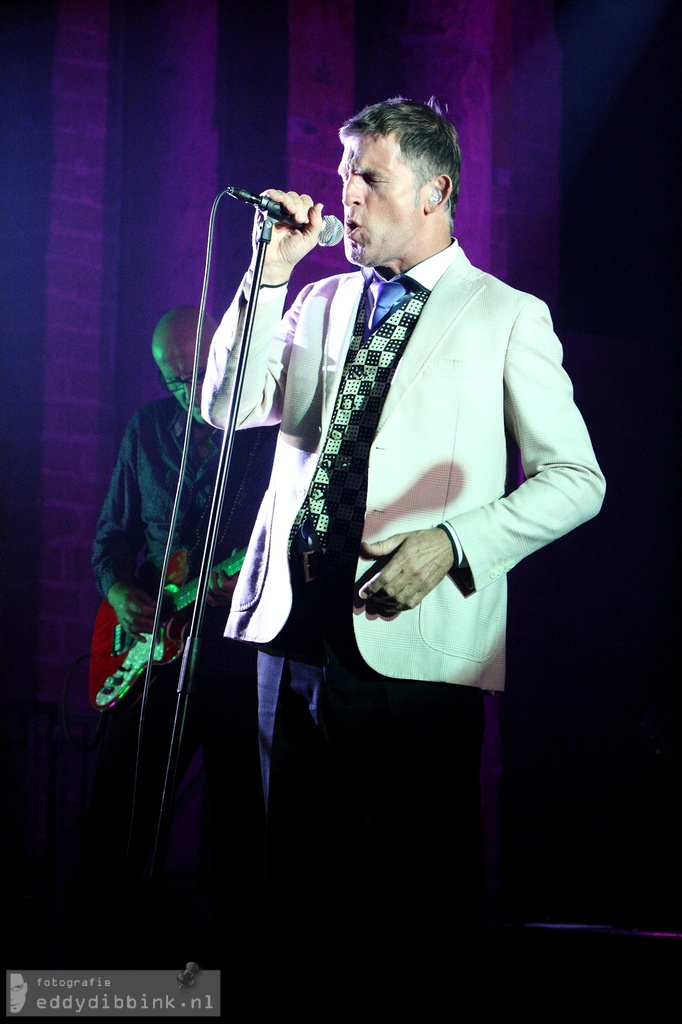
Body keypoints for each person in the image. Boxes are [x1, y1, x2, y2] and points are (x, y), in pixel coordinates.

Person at [202, 98, 606, 981]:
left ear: (435, 191)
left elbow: (578, 481)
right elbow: (223, 404)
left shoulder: (505, 315)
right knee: (295, 894)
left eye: (368, 177)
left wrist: (454, 545)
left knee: (416, 903)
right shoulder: (316, 299)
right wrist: (268, 275)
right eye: (344, 173)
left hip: (415, 653)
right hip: (293, 635)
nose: (343, 194)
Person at [69, 306, 276, 967]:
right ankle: (103, 969)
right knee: (113, 816)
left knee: (242, 823)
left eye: (197, 374)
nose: (188, 391)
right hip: (152, 654)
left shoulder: (265, 438)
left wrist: (244, 585)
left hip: (235, 659)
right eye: (173, 380)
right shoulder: (147, 428)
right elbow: (112, 536)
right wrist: (118, 591)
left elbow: (291, 545)